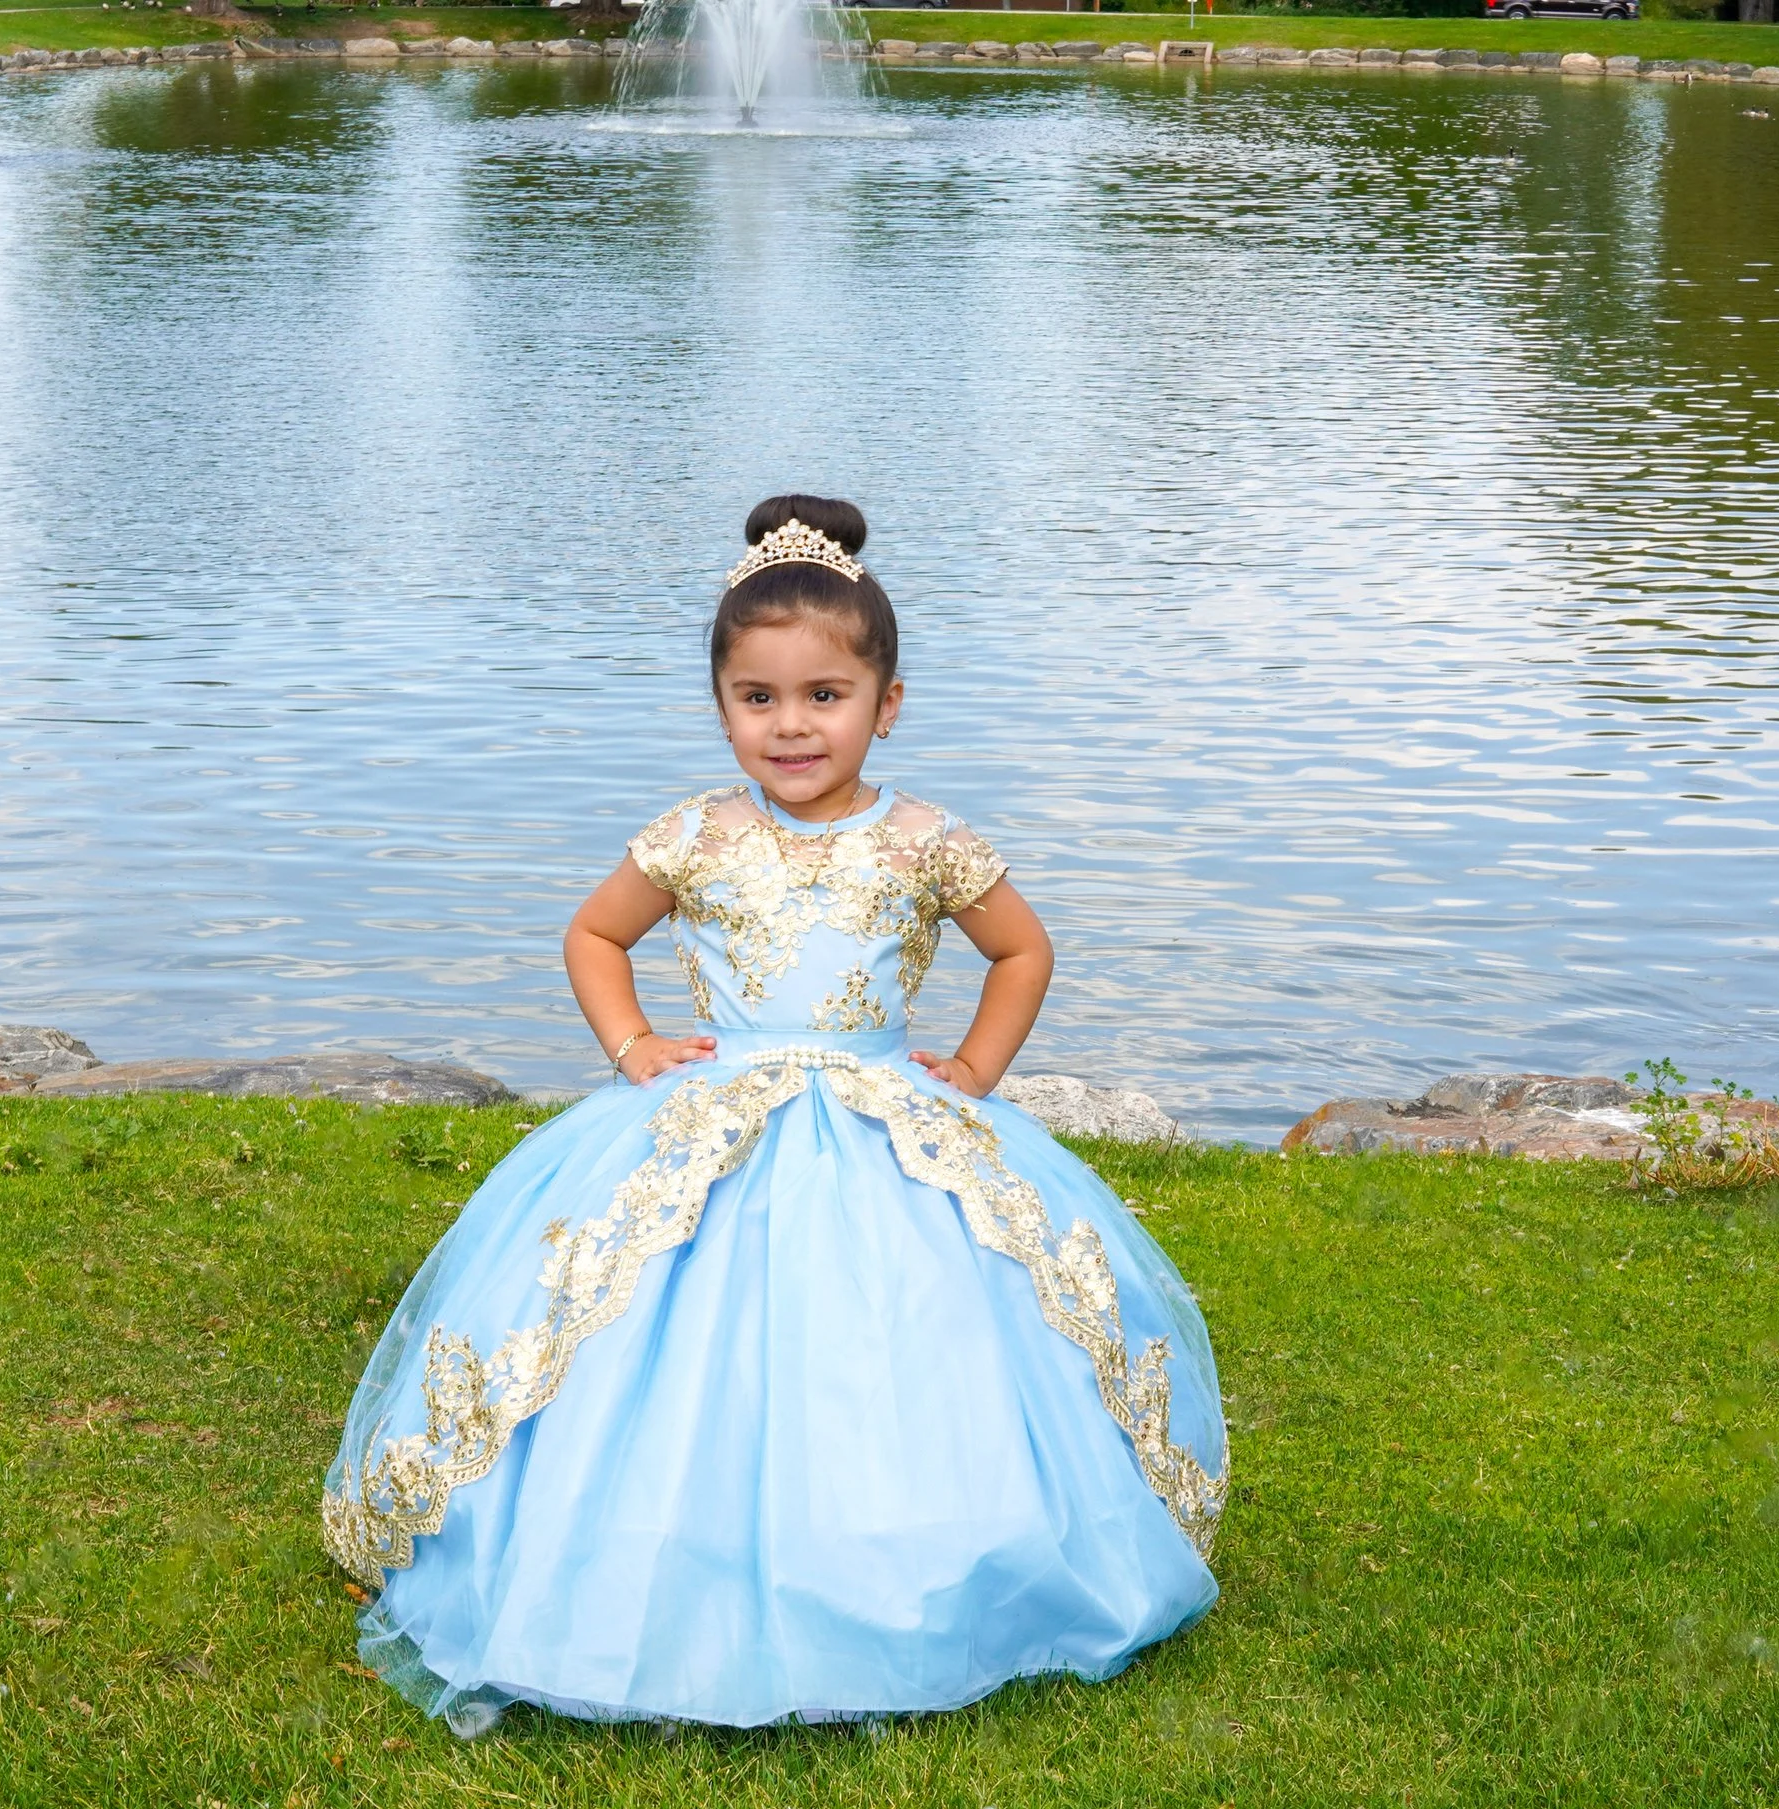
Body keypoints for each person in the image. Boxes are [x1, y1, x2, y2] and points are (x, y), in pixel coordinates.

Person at [322, 495, 1228, 1732]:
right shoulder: (694, 834)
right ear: (722, 705)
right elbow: (594, 934)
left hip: (882, 1114)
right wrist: (634, 1043)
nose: (791, 725)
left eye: (824, 695)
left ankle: (912, 1564)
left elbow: (1024, 953)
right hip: (711, 1110)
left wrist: (968, 1072)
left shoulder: (925, 842)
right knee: (650, 1333)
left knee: (897, 1343)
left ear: (884, 701)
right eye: (758, 698)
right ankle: (630, 1563)